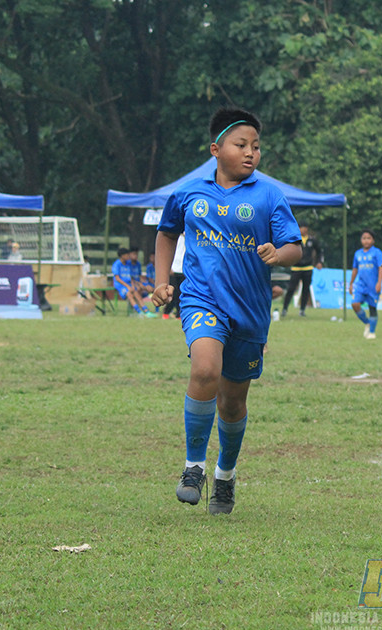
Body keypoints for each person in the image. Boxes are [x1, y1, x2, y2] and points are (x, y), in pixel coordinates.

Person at [151, 105, 302, 515]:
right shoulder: (189, 193)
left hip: (250, 311)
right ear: (216, 150)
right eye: (241, 144)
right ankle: (193, 468)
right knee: (204, 369)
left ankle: (225, 475)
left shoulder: (269, 195)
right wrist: (162, 280)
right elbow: (166, 233)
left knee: (232, 404)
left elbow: (294, 246)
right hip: (202, 299)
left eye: (256, 146)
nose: (251, 152)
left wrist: (278, 253)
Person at [348, 229, 382, 339]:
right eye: (364, 238)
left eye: (369, 238)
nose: (366, 240)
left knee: (372, 308)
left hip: (373, 286)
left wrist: (379, 283)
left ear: (373, 240)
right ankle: (367, 322)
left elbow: (381, 268)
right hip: (361, 285)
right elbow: (355, 269)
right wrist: (351, 283)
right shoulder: (357, 254)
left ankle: (372, 332)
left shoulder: (377, 253)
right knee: (355, 304)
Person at [280, 223, 322, 317]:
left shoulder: (312, 240)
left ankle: (302, 310)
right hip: (296, 268)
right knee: (291, 289)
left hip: (308, 268)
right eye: (300, 228)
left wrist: (319, 262)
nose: (302, 230)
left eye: (304, 228)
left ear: (307, 229)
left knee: (306, 290)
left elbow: (319, 251)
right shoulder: (294, 239)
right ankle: (284, 309)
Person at [111, 247, 152, 316]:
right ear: (122, 256)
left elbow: (130, 277)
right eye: (127, 255)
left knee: (137, 293)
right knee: (129, 294)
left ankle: (147, 311)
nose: (128, 256)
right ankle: (139, 312)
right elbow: (117, 278)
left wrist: (132, 285)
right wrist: (128, 286)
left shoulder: (128, 264)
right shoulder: (116, 264)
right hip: (120, 285)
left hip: (129, 284)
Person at [163, 235, 186, 320]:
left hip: (183, 269)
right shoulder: (174, 235)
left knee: (181, 293)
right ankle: (166, 312)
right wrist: (169, 267)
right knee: (173, 292)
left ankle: (179, 314)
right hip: (174, 268)